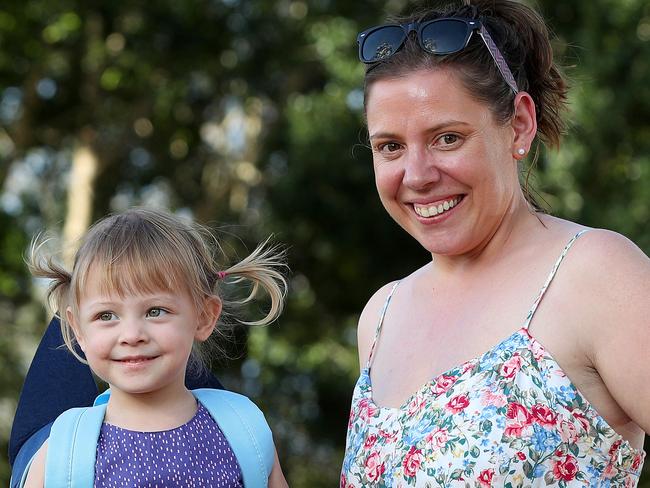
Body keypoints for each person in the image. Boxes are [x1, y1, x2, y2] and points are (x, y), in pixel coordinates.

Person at [341, 1, 649, 486]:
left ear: (519, 125)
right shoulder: (380, 315)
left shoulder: (595, 275)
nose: (417, 176)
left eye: (446, 138)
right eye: (391, 147)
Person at [13, 207, 289, 487]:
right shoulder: (59, 458)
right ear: (78, 330)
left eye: (156, 311)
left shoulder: (245, 432)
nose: (132, 335)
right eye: (106, 316)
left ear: (204, 317)